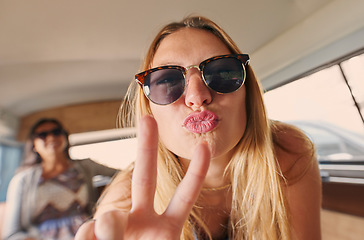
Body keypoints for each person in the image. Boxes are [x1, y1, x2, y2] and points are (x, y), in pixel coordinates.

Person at [75, 16, 322, 240]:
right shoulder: (124, 206)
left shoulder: (288, 152)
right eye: (168, 81)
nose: (197, 96)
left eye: (223, 73)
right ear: (150, 110)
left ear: (247, 94)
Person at [2, 118, 118, 240]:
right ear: (34, 144)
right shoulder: (22, 180)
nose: (51, 137)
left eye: (56, 132)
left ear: (65, 138)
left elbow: (122, 175)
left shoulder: (86, 167)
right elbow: (12, 234)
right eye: (42, 135)